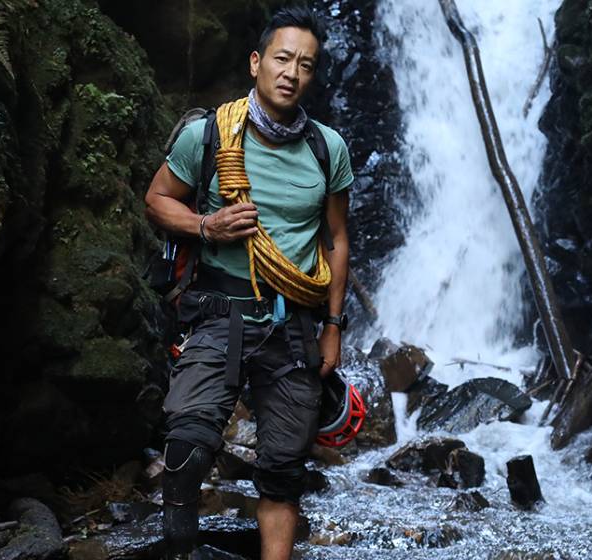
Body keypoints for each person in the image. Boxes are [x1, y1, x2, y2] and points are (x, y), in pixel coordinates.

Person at [144, 7, 353, 560]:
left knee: (283, 470)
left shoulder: (327, 149)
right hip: (218, 312)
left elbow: (336, 241)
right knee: (187, 447)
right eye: (282, 58)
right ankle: (181, 549)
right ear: (257, 62)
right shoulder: (208, 135)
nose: (292, 72)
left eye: (306, 65)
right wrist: (206, 224)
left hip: (295, 325)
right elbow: (157, 199)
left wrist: (333, 326)